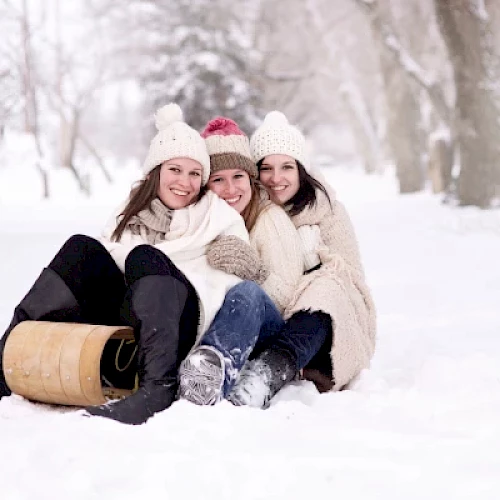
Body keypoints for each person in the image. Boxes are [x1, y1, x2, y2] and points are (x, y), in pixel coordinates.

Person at [0, 104, 249, 425]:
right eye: (175, 170)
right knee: (81, 247)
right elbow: (105, 266)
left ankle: (157, 387)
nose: (185, 182)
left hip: (180, 328)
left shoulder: (219, 218)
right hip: (126, 324)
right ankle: (5, 358)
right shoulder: (129, 215)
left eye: (195, 174)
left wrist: (150, 263)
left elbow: (224, 290)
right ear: (157, 171)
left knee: (144, 257)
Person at [226, 110, 377, 408]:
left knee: (328, 286)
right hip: (268, 315)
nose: (276, 178)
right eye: (266, 168)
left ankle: (267, 374)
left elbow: (352, 280)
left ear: (301, 170)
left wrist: (313, 268)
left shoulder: (328, 210)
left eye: (286, 167)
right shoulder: (248, 210)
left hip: (319, 324)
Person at [177, 117, 305, 405]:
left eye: (238, 177)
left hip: (266, 330)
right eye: (218, 179)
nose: (230, 188)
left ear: (250, 179)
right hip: (213, 322)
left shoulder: (268, 219)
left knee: (246, 293)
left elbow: (287, 297)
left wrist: (252, 272)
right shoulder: (202, 220)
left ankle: (208, 378)